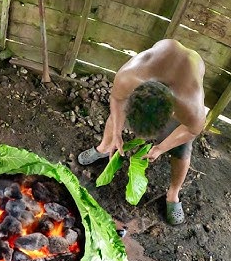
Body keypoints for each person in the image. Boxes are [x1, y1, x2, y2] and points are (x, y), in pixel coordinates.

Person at [77, 39, 206, 225]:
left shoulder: (190, 107)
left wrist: (161, 148)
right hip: (164, 50)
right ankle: (104, 147)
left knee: (183, 150)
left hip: (192, 65)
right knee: (115, 120)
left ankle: (173, 194)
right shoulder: (128, 77)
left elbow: (191, 131)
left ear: (172, 113)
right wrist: (117, 134)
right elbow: (117, 99)